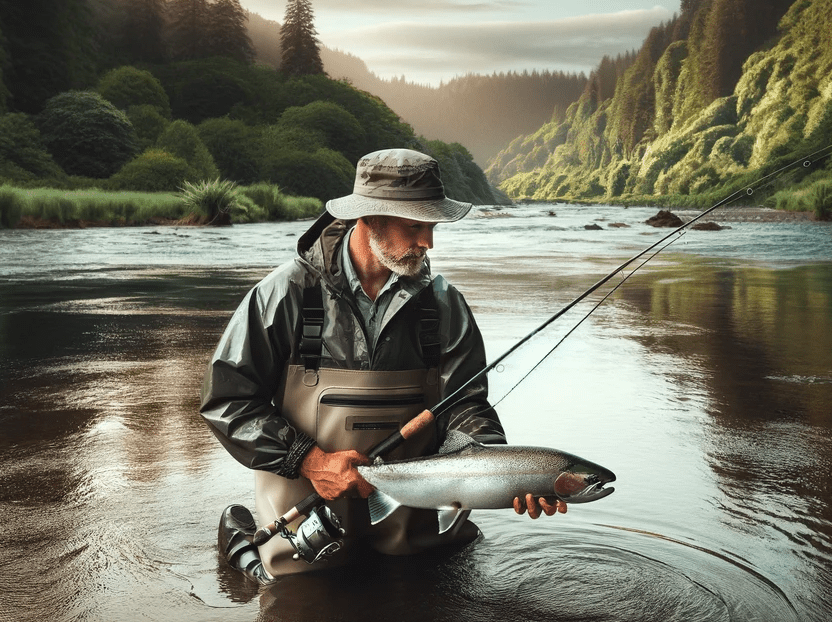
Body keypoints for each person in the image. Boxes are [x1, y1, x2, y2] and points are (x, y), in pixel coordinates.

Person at [201, 147, 565, 584]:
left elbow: (467, 406)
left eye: (431, 226)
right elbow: (228, 400)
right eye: (415, 226)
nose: (428, 241)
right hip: (308, 501)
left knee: (432, 582)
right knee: (293, 588)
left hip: (414, 516)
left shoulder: (445, 304)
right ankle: (248, 546)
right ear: (368, 219)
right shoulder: (285, 294)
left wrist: (498, 472)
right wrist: (308, 459)